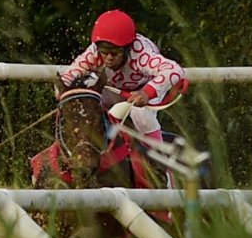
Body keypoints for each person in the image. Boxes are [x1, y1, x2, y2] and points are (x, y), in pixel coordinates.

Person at [60, 9, 187, 148]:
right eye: (104, 52)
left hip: (144, 89)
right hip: (114, 89)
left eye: (115, 52)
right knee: (86, 104)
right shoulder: (94, 52)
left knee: (141, 114)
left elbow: (175, 70)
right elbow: (67, 77)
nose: (109, 58)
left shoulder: (140, 53)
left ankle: (157, 158)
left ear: (128, 48)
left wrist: (146, 93)